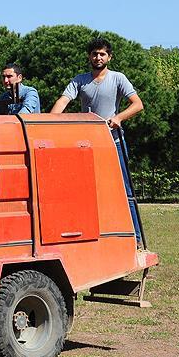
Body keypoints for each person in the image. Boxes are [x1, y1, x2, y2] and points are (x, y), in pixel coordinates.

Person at [50, 38, 145, 245]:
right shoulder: (80, 80)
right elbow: (63, 101)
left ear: (109, 57)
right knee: (87, 192)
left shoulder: (118, 78)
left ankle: (135, 238)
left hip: (113, 143)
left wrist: (118, 118)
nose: (98, 57)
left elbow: (137, 104)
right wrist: (49, 122)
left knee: (124, 190)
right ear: (89, 57)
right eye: (94, 54)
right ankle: (95, 237)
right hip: (87, 145)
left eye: (102, 54)